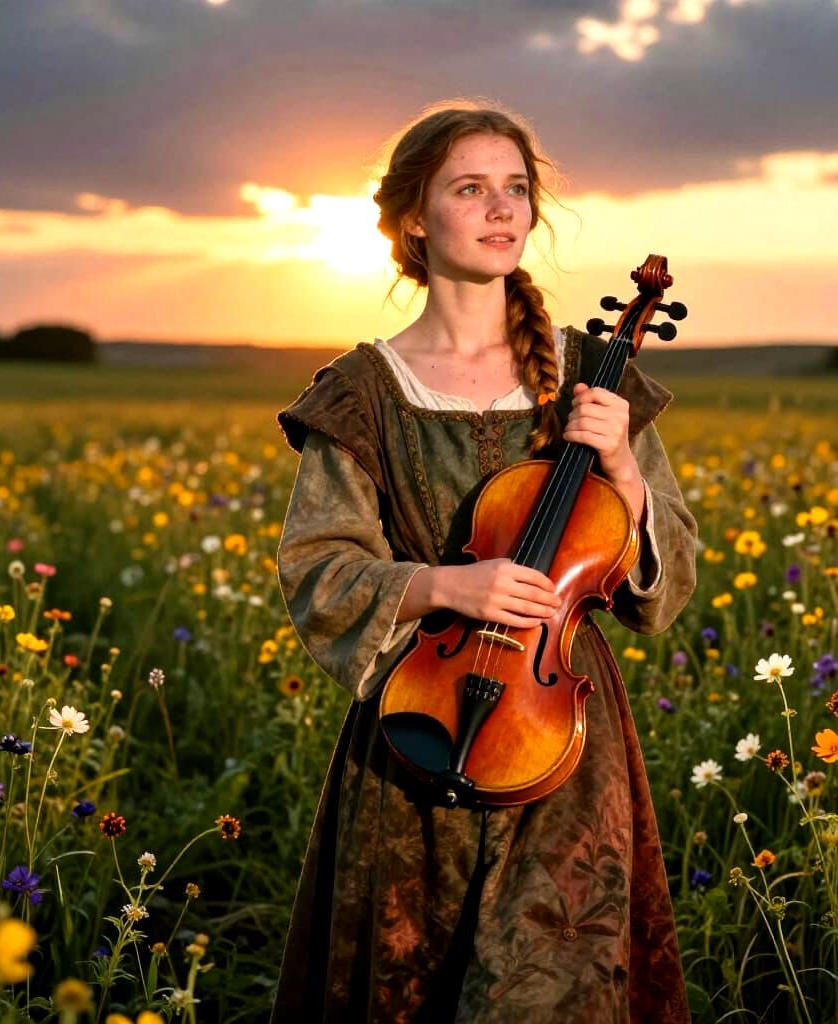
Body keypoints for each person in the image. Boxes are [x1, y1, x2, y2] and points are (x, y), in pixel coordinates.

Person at [269, 100, 697, 1024]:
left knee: (557, 987)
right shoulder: (360, 392)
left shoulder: (597, 373)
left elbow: (664, 584)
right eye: (472, 189)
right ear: (416, 217)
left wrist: (621, 462)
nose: (502, 209)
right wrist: (443, 585)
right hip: (417, 733)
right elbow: (316, 567)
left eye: (516, 189)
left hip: (565, 745)